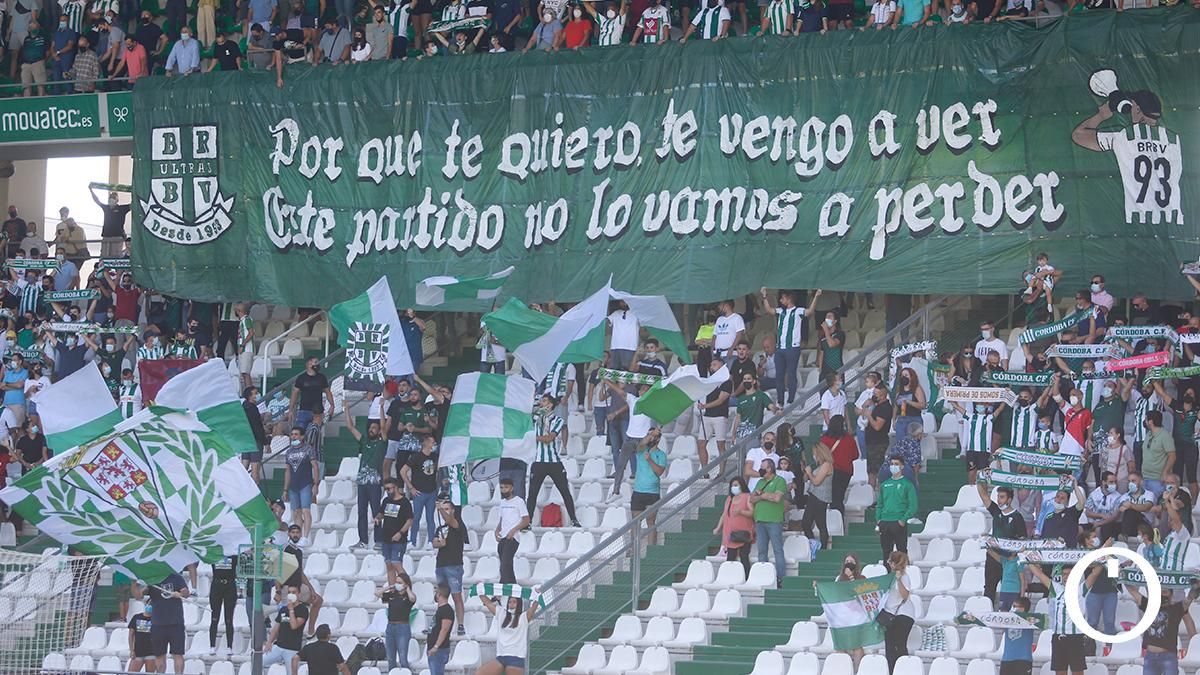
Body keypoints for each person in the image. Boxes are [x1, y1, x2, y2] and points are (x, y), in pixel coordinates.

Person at [526, 394, 582, 527]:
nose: (541, 403)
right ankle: (528, 522)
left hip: (554, 462)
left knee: (565, 491)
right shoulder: (535, 419)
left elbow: (549, 438)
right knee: (532, 494)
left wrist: (532, 437)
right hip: (538, 461)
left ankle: (574, 519)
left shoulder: (557, 420)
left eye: (544, 401)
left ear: (550, 405)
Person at [759, 288, 820, 405]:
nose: (781, 301)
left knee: (791, 373)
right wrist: (764, 296)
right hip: (780, 348)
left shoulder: (798, 311)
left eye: (783, 298)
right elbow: (768, 310)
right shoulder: (780, 311)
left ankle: (791, 399)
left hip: (792, 347)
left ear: (789, 298)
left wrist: (816, 296)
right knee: (780, 374)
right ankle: (781, 400)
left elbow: (810, 311)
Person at [1027, 563, 1090, 675]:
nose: (1066, 577)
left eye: (1070, 574)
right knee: (1060, 671)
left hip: (1075, 637)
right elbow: (1039, 574)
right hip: (1058, 637)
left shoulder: (1081, 589)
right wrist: (1025, 556)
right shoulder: (1057, 588)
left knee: (1077, 671)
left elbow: (1095, 573)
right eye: (1064, 574)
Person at [1127, 580, 1196, 675]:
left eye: (1165, 592)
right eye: (1159, 592)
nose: (1161, 595)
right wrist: (1122, 575)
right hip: (1150, 657)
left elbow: (1190, 597)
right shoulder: (1149, 605)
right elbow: (1132, 591)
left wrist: (1196, 585)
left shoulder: (1176, 608)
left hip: (1168, 657)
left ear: (1171, 595)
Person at [977, 479, 1026, 602]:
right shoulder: (996, 511)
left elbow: (1023, 541)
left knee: (1009, 590)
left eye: (1002, 497)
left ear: (1009, 500)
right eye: (998, 497)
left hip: (1009, 560)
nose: (999, 500)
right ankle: (988, 615)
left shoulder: (1017, 517)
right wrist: (981, 478)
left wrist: (1013, 556)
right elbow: (983, 495)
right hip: (993, 557)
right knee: (989, 588)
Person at [345, 401, 386, 549]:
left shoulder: (382, 444)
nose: (371, 429)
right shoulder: (364, 442)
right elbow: (350, 427)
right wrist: (346, 409)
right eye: (370, 428)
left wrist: (381, 408)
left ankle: (379, 540)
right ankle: (363, 540)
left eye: (374, 428)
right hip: (362, 483)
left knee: (376, 511)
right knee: (361, 512)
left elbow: (383, 426)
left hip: (375, 483)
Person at [477, 592, 539, 675]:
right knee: (480, 673)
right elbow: (488, 603)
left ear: (519, 604)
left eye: (514, 602)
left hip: (516, 658)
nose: (511, 604)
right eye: (510, 602)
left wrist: (537, 594)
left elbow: (534, 607)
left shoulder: (524, 616)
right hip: (501, 657)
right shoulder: (502, 614)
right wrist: (480, 591)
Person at [749, 456, 787, 585]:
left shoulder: (779, 481)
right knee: (762, 551)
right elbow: (752, 499)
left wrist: (762, 495)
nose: (760, 470)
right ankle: (763, 576)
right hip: (759, 520)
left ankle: (781, 578)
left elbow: (777, 498)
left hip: (774, 520)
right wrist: (764, 497)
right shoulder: (760, 482)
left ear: (770, 469)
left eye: (762, 468)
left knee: (778, 550)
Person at [432, 499, 467, 636]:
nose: (445, 511)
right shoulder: (440, 528)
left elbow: (450, 520)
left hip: (454, 565)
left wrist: (440, 509)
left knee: (456, 596)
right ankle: (438, 624)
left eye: (447, 509)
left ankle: (461, 624)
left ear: (452, 510)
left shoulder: (457, 523)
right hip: (440, 564)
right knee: (441, 596)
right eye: (443, 509)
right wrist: (439, 543)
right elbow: (434, 543)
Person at [282, 425, 319, 543]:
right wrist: (285, 489)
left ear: (302, 436)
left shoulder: (308, 449)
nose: (293, 436)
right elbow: (287, 470)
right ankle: (298, 535)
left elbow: (315, 466)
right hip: (293, 485)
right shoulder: (288, 451)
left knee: (305, 510)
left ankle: (306, 537)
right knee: (296, 512)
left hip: (305, 483)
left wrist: (316, 484)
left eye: (296, 434)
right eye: (292, 434)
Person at [630, 429, 668, 544]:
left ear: (658, 439)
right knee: (635, 522)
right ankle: (633, 549)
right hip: (638, 491)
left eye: (653, 436)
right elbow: (639, 445)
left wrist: (650, 460)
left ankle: (651, 549)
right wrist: (649, 436)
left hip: (653, 493)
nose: (650, 438)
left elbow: (659, 472)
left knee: (651, 522)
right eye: (648, 435)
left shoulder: (661, 455)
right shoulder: (642, 450)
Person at [877, 455, 917, 564]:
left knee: (901, 550)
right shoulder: (885, 484)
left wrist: (903, 519)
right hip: (885, 521)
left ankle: (904, 574)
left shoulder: (907, 484)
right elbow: (879, 503)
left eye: (896, 464)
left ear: (902, 466)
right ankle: (888, 575)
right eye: (892, 464)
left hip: (898, 521)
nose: (893, 466)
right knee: (886, 552)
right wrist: (878, 519)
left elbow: (913, 505)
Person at [401, 435, 439, 547]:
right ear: (426, 443)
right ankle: (412, 541)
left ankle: (431, 541)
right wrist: (411, 487)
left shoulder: (435, 456)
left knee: (430, 518)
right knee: (416, 517)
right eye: (432, 442)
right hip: (419, 492)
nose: (434, 444)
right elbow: (403, 471)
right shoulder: (416, 457)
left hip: (431, 491)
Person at [881, 551, 916, 671]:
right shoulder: (888, 578)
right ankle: (892, 671)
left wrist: (899, 580)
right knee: (889, 647)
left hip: (903, 614)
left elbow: (905, 595)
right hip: (890, 615)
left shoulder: (904, 577)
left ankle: (904, 670)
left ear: (892, 563)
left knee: (899, 644)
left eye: (889, 561)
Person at [149, 571, 189, 675]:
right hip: (158, 624)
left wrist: (179, 594)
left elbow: (186, 592)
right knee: (159, 655)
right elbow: (138, 595)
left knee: (178, 654)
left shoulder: (176, 577)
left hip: (176, 623)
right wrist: (134, 583)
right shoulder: (152, 579)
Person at [714, 476, 755, 577]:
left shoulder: (747, 497)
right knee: (730, 557)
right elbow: (724, 514)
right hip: (731, 533)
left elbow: (752, 513)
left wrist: (741, 512)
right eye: (732, 485)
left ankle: (746, 577)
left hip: (744, 532)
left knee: (744, 556)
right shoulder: (729, 499)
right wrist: (718, 527)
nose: (734, 487)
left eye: (736, 485)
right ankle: (730, 577)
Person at [262, 583, 309, 671]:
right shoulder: (283, 609)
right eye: (289, 592)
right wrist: (269, 642)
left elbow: (294, 626)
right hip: (278, 646)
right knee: (258, 662)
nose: (291, 595)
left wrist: (291, 610)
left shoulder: (303, 609)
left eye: (294, 592)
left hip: (292, 649)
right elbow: (276, 627)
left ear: (299, 594)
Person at [375, 478, 413, 586]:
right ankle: (392, 590)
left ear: (395, 488)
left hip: (399, 539)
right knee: (389, 565)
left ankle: (407, 587)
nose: (387, 491)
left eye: (389, 489)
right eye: (386, 489)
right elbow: (381, 513)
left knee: (396, 563)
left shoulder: (404, 502)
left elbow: (409, 520)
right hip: (386, 538)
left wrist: (400, 533)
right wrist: (378, 518)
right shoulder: (386, 501)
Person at [377, 576, 416, 671]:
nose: (397, 584)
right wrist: (389, 587)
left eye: (400, 582)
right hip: (390, 626)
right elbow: (377, 593)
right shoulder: (392, 594)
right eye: (396, 582)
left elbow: (412, 599)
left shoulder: (407, 596)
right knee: (390, 658)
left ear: (405, 584)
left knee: (403, 658)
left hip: (402, 627)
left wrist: (407, 589)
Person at [801, 441, 834, 552]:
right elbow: (806, 479)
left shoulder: (827, 465)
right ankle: (815, 544)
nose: (814, 455)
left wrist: (810, 473)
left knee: (820, 524)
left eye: (815, 453)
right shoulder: (819, 466)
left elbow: (816, 481)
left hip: (820, 497)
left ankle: (822, 548)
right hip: (813, 496)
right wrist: (806, 471)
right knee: (806, 523)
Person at [820, 415, 857, 513]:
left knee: (833, 498)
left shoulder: (824, 439)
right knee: (839, 497)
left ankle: (835, 519)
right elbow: (855, 455)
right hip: (846, 472)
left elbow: (820, 457)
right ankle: (839, 519)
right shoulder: (849, 439)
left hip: (830, 471)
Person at [496, 477, 529, 584]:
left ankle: (500, 593)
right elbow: (502, 519)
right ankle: (514, 592)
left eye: (506, 487)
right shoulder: (502, 503)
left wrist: (514, 530)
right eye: (501, 487)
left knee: (504, 566)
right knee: (507, 567)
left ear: (512, 488)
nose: (504, 490)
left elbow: (526, 520)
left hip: (512, 538)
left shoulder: (519, 501)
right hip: (503, 538)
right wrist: (497, 530)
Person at [206, 555, 238, 655]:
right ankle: (212, 645)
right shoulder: (214, 552)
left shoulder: (233, 554)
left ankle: (229, 646)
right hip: (216, 585)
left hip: (230, 585)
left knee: (229, 618)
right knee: (214, 617)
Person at [865, 383, 893, 490]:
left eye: (876, 394)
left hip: (878, 443)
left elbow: (877, 426)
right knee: (870, 470)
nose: (874, 396)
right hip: (871, 441)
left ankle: (874, 493)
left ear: (883, 396)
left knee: (874, 470)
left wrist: (869, 416)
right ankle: (870, 492)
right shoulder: (877, 406)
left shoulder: (885, 408)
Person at [1142, 409, 1176, 497]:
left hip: (1157, 480)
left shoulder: (1165, 436)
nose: (1144, 421)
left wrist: (1165, 473)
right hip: (1145, 477)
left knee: (1155, 507)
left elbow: (1172, 456)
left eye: (1146, 419)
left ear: (1150, 421)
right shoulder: (1149, 434)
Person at [290, 356, 331, 430]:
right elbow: (294, 393)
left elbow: (328, 391)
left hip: (318, 411)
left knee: (316, 431)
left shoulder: (321, 377)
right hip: (304, 409)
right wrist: (291, 409)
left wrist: (332, 405)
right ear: (309, 364)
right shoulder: (301, 378)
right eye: (315, 362)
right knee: (300, 431)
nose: (317, 364)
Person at [427, 586, 454, 675]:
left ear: (439, 594)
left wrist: (436, 647)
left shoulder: (446, 610)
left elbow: (444, 630)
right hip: (436, 649)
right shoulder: (441, 610)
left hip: (439, 650)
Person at [126, 603, 154, 673]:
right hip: (138, 651)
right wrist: (132, 650)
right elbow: (130, 635)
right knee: (131, 672)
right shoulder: (136, 617)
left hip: (152, 652)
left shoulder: (156, 619)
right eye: (149, 604)